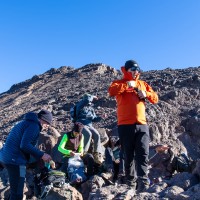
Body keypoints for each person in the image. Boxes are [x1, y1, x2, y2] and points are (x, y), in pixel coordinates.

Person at [108, 60, 159, 193]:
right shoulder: (118, 82)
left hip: (142, 124)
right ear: (126, 70)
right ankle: (130, 183)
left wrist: (146, 94)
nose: (135, 71)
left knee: (143, 154)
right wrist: (126, 85)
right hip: (125, 125)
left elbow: (155, 98)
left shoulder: (143, 84)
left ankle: (143, 182)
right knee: (128, 155)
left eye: (137, 69)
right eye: (132, 69)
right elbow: (112, 91)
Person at [0, 109, 53, 200]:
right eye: (47, 123)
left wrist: (40, 157)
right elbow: (24, 145)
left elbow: (27, 146)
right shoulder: (34, 126)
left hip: (7, 157)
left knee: (15, 190)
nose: (47, 126)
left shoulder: (26, 122)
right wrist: (42, 155)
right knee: (17, 194)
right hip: (15, 161)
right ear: (42, 119)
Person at [75, 93, 104, 165]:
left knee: (97, 135)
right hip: (80, 124)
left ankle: (96, 154)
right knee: (88, 134)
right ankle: (84, 153)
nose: (90, 101)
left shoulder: (91, 109)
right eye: (89, 99)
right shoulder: (80, 105)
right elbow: (87, 100)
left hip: (89, 125)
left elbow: (94, 119)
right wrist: (93, 96)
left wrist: (101, 117)